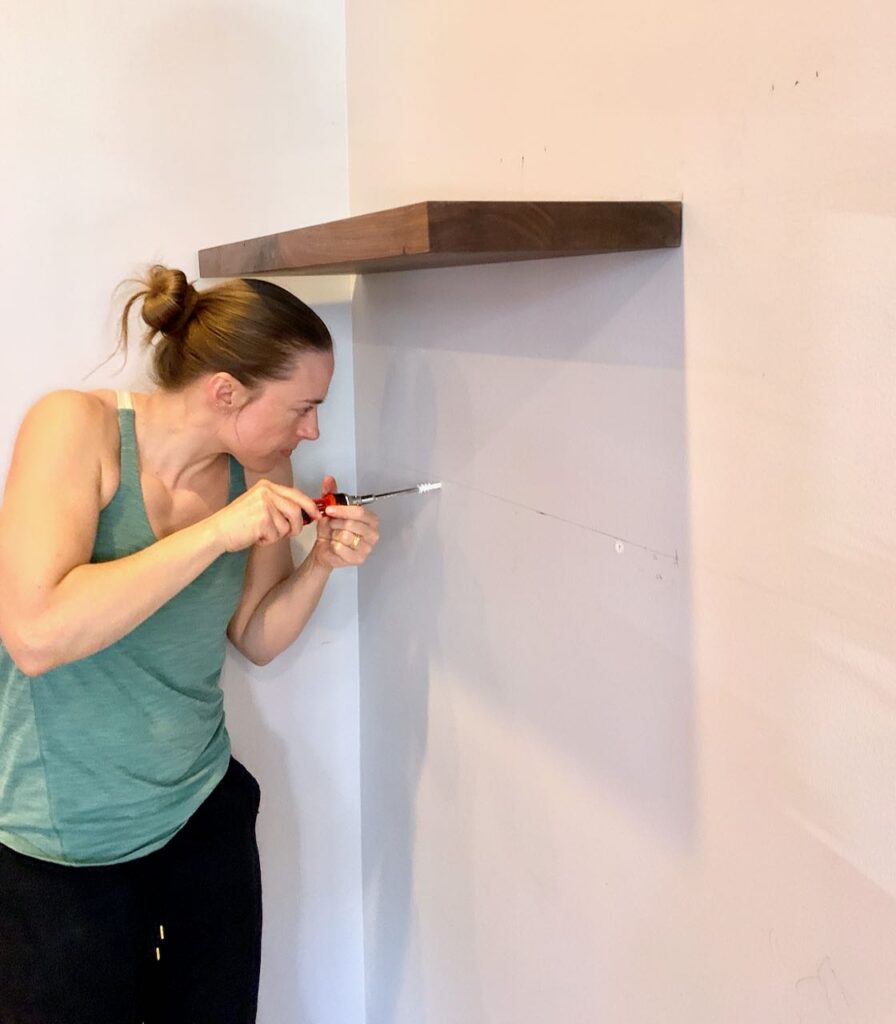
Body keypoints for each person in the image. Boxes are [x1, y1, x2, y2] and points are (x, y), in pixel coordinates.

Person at [0, 266, 379, 1023]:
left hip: (201, 814)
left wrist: (322, 568)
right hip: (63, 842)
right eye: (303, 407)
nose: (311, 431)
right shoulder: (75, 427)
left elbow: (255, 635)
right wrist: (217, 533)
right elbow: (36, 634)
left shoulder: (261, 467)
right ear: (226, 391)